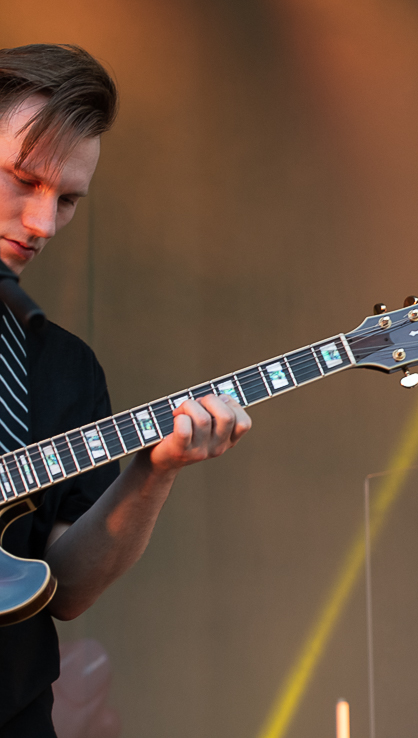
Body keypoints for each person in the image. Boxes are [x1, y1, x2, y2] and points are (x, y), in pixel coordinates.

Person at [0, 44, 251, 736]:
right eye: (23, 181)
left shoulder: (62, 368)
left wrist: (153, 471)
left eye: (67, 200)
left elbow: (67, 589)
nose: (43, 224)